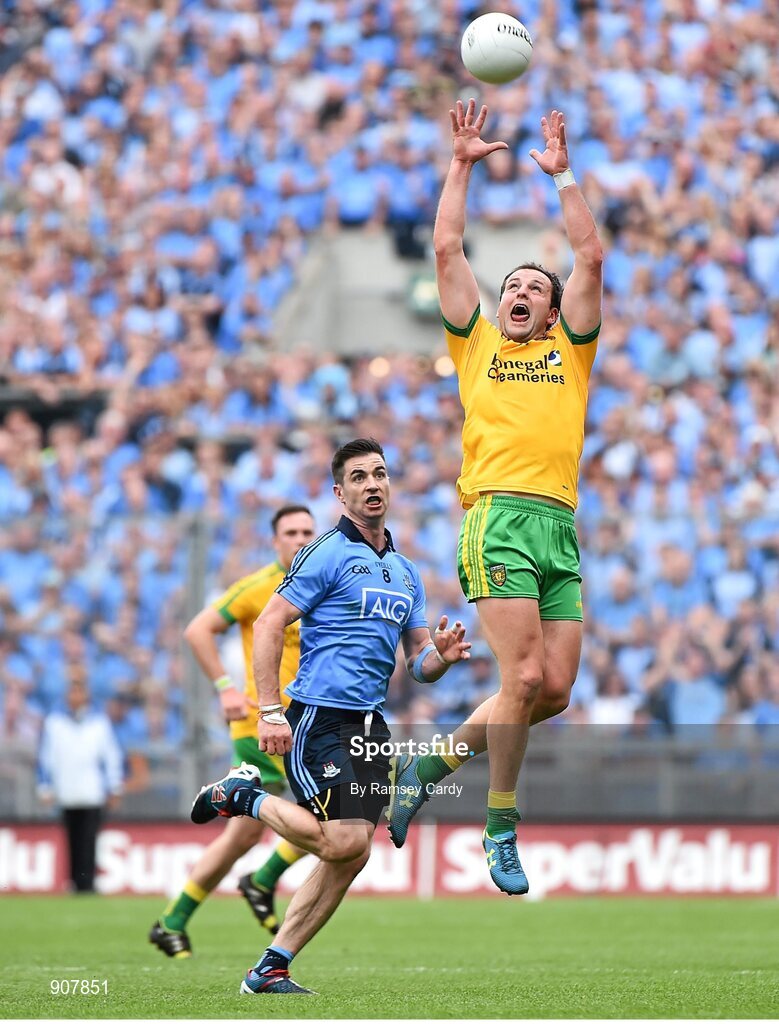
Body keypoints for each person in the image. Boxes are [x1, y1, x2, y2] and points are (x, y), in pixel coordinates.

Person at [387, 102, 604, 896]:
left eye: (530, 287)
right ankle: (500, 828)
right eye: (508, 283)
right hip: (498, 519)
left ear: (550, 311)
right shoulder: (475, 341)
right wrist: (462, 164)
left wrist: (563, 176)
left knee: (553, 689)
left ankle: (431, 762)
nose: (516, 290)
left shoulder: (569, 352)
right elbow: (446, 245)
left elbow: (588, 253)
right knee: (517, 679)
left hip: (558, 527)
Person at [189, 438, 471, 994]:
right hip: (320, 718)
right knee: (343, 843)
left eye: (380, 474)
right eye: (359, 477)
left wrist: (442, 655)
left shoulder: (406, 571)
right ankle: (241, 796)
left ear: (390, 485)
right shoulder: (325, 552)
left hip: (372, 726)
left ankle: (270, 968)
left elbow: (417, 665)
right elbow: (270, 624)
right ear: (340, 493)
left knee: (352, 853)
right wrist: (270, 711)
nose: (372, 484)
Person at [149, 505, 316, 958]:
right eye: (290, 532)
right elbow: (198, 629)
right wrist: (224, 687)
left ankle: (174, 920)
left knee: (244, 835)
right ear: (274, 541)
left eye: (307, 531)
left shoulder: (322, 581)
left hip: (304, 722)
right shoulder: (259, 587)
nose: (300, 539)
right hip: (261, 722)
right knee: (341, 811)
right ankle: (261, 880)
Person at [37, 674, 124, 893]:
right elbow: (46, 758)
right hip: (66, 791)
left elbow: (110, 756)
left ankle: (88, 882)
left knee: (89, 839)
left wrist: (114, 786)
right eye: (72, 691)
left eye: (80, 691)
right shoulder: (54, 723)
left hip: (91, 791)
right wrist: (45, 787)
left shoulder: (99, 723)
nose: (76, 696)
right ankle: (75, 881)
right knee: (71, 839)